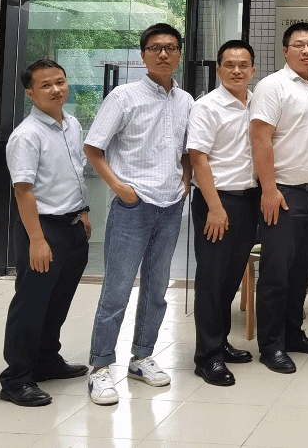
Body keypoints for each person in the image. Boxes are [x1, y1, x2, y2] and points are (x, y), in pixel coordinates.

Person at [84, 23, 193, 406]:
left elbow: (187, 151)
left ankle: (141, 357)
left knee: (157, 289)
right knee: (117, 289)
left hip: (170, 205)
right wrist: (119, 187)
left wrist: (185, 182)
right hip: (133, 205)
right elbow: (93, 147)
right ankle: (100, 367)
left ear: (179, 53)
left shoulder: (186, 100)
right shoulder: (123, 97)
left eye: (171, 47)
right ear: (144, 54)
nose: (163, 54)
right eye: (155, 48)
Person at [0, 59, 91, 407]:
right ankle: (16, 379)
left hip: (72, 225)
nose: (56, 90)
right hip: (43, 229)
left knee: (58, 301)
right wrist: (37, 240)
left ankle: (46, 359)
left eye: (60, 82)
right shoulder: (26, 136)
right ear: (30, 93)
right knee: (31, 305)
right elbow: (23, 190)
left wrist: (83, 212)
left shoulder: (72, 124)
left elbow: (75, 172)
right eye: (46, 85)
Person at [249, 22, 308, 374]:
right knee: (276, 273)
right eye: (299, 44)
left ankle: (293, 334)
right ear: (285, 50)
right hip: (282, 194)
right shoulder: (272, 86)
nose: (306, 50)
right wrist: (268, 189)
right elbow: (260, 138)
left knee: (302, 272)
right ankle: (271, 345)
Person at [187, 39, 258, 387]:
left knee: (230, 278)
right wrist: (214, 207)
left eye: (243, 65)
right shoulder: (207, 106)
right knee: (211, 281)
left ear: (253, 70)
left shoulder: (256, 103)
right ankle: (207, 357)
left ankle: (221, 342)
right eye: (229, 65)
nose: (236, 70)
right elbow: (197, 157)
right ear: (218, 70)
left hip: (248, 200)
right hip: (217, 202)